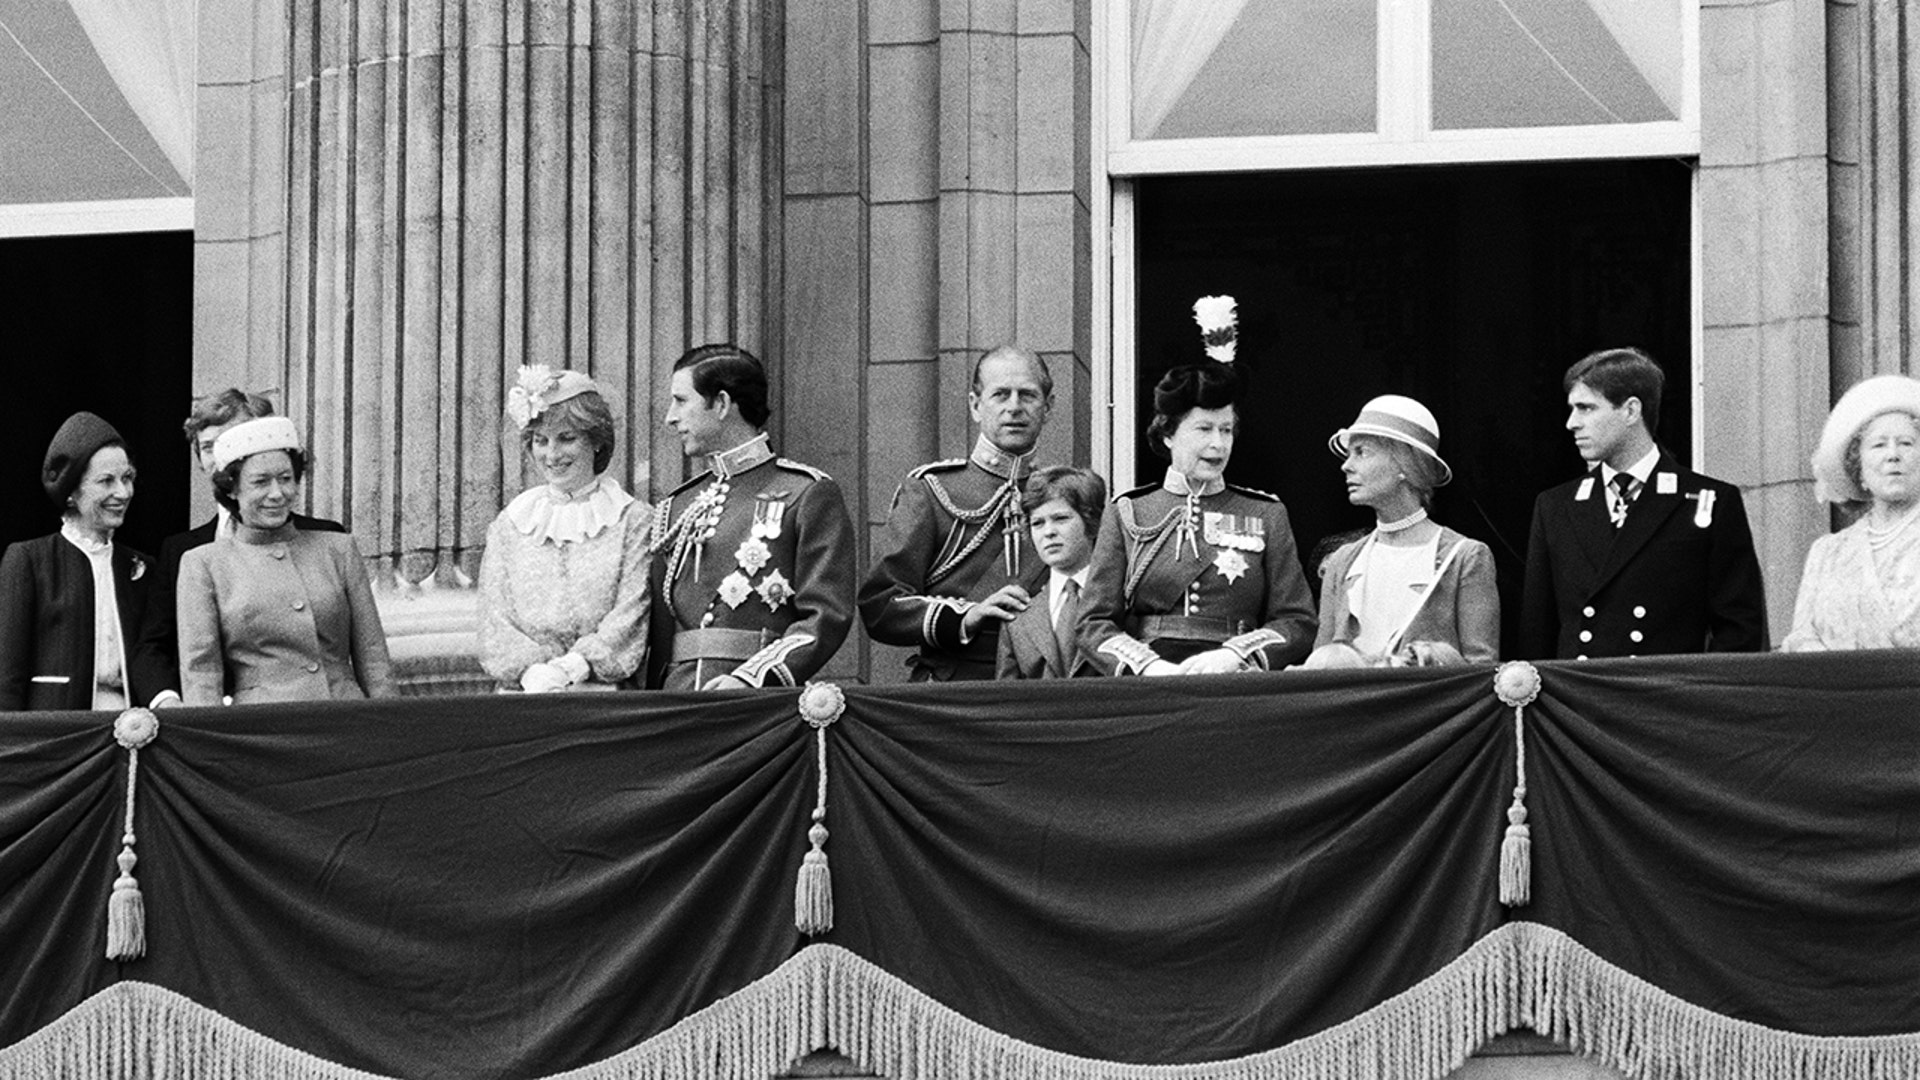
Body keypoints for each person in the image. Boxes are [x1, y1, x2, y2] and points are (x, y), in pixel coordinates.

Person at [1080, 296, 1317, 675]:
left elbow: (1297, 620)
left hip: (1234, 679)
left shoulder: (1266, 513)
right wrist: (1148, 666)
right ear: (1169, 435)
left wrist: (1236, 655)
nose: (1218, 444)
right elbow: (1093, 623)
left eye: (1226, 430)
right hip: (1151, 681)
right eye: (1204, 429)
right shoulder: (1128, 511)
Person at [1520, 347, 1767, 659]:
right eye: (1572, 409)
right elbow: (1536, 636)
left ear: (1631, 411)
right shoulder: (1555, 507)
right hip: (1580, 699)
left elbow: (1739, 633)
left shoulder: (1711, 502)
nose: (1571, 423)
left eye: (1586, 408)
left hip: (1665, 699)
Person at [647, 344, 856, 690]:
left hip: (759, 703)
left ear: (723, 405)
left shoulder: (805, 493)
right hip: (676, 701)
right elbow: (660, 633)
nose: (670, 417)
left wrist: (752, 679)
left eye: (681, 401)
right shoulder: (678, 506)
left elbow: (825, 616)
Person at [134, 389, 346, 707]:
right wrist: (172, 705)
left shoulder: (326, 538)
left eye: (231, 439)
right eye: (208, 447)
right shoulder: (181, 552)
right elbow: (153, 646)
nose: (221, 454)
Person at [860, 345, 1053, 681]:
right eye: (1000, 395)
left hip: (1042, 691)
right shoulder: (932, 490)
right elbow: (881, 606)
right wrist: (966, 617)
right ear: (975, 406)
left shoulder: (1065, 497)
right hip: (951, 690)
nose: (1014, 407)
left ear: (1048, 407)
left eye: (1027, 395)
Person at [176, 417, 395, 703]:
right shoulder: (204, 564)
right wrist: (209, 745)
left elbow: (373, 657)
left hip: (344, 719)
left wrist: (390, 730)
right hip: (262, 732)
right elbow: (201, 675)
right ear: (232, 488)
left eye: (286, 479)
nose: (277, 493)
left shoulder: (338, 550)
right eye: (260, 482)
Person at [477, 366, 651, 691]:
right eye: (541, 441)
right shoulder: (511, 523)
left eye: (567, 438)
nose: (552, 454)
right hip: (524, 694)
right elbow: (493, 619)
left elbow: (632, 611)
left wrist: (577, 665)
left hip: (605, 697)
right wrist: (531, 673)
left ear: (596, 442)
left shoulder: (632, 519)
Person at [1308, 395, 1499, 665]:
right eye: (1350, 454)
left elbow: (1481, 670)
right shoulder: (1342, 561)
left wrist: (1436, 658)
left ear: (1404, 465)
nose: (1346, 465)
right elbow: (1317, 671)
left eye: (1362, 452)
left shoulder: (1465, 556)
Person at [0, 412, 156, 711]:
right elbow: (7, 676)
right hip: (57, 736)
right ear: (71, 492)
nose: (122, 493)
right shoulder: (29, 560)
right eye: (106, 481)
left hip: (131, 733)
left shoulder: (141, 566)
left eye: (127, 478)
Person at [1781, 374, 1920, 651]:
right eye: (1879, 445)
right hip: (1841, 692)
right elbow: (1800, 639)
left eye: (1906, 443)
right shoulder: (1828, 553)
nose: (1893, 454)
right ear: (1859, 469)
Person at [996, 466, 1106, 679]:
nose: (1049, 532)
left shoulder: (1122, 598)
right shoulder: (1019, 616)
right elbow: (1007, 699)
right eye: (1037, 523)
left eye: (1061, 518)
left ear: (1091, 522)